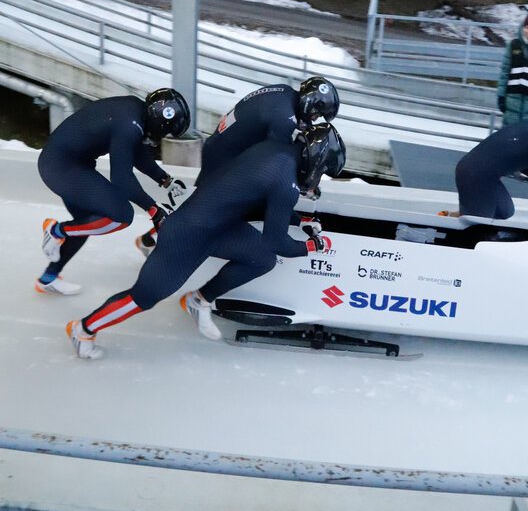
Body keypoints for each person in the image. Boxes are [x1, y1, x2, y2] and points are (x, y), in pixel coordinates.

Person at [65, 122, 346, 359]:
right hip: (188, 234)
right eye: (321, 171)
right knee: (144, 297)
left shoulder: (276, 149)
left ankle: (198, 300)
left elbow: (267, 204)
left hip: (219, 224)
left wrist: (300, 222)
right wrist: (311, 247)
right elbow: (278, 240)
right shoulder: (286, 182)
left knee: (261, 258)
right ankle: (83, 329)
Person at [135, 76, 340, 254]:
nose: (314, 119)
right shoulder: (284, 119)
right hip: (225, 155)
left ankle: (152, 237)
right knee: (205, 204)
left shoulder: (285, 93)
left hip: (222, 147)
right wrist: (305, 184)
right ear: (311, 103)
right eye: (316, 114)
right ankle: (158, 241)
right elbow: (280, 160)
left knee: (201, 202)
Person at [36, 88, 191, 295]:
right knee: (120, 215)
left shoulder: (134, 113)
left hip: (67, 163)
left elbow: (136, 153)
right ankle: (55, 231)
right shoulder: (129, 124)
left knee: (87, 222)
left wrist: (165, 180)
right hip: (62, 167)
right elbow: (121, 180)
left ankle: (48, 278)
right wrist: (154, 210)